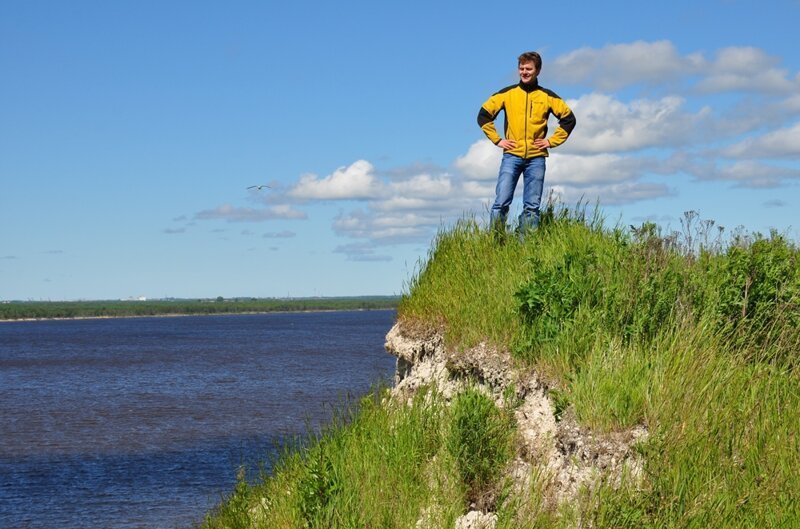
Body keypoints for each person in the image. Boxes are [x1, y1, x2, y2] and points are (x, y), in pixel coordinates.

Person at [478, 51, 576, 234]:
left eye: (528, 69)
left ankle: (526, 247)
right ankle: (495, 243)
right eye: (521, 68)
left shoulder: (547, 96)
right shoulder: (507, 94)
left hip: (536, 158)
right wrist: (498, 140)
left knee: (532, 206)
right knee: (501, 202)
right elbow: (483, 115)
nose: (524, 72)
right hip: (511, 156)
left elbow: (569, 119)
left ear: (537, 70)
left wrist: (551, 141)